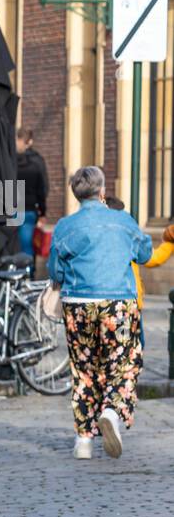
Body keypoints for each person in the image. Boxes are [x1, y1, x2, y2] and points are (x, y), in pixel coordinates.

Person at [48, 166, 152, 459]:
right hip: (117, 301)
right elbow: (144, 254)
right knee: (125, 362)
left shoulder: (65, 226)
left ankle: (83, 440)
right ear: (102, 191)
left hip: (77, 303)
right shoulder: (123, 221)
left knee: (84, 369)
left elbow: (55, 270)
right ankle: (111, 411)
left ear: (75, 194)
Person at [16, 128, 49, 259]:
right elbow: (43, 188)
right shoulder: (37, 162)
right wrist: (42, 212)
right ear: (30, 141)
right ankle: (28, 274)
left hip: (10, 207)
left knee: (11, 245)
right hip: (29, 208)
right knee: (28, 245)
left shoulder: (9, 161)